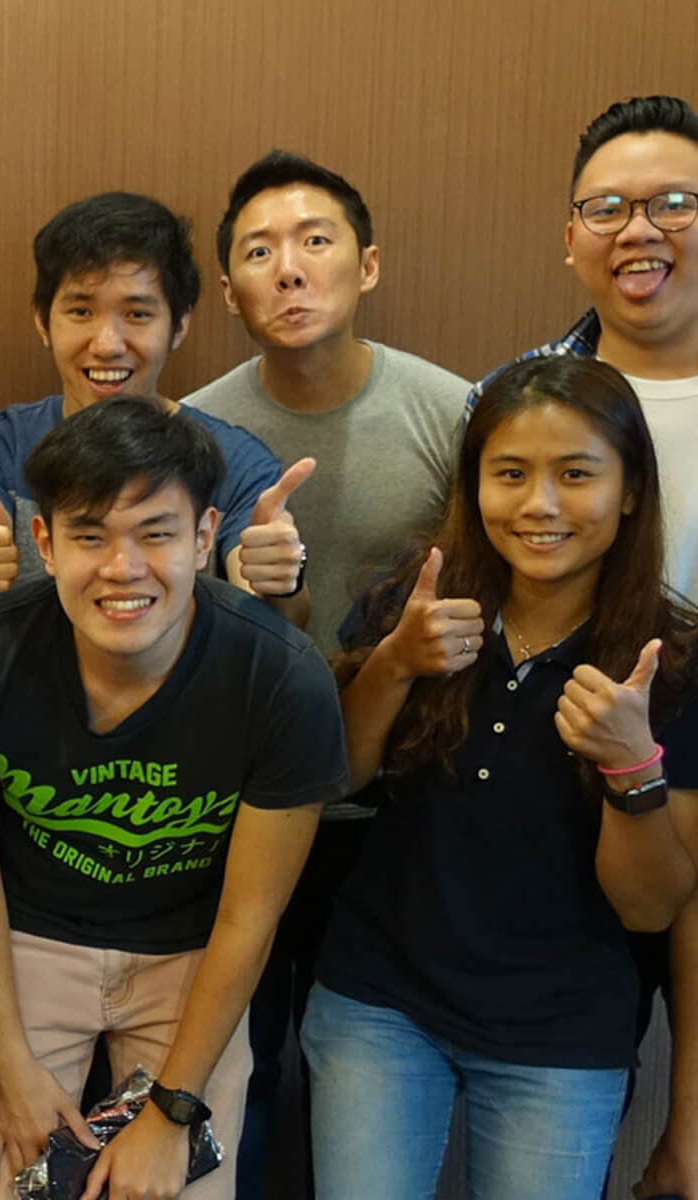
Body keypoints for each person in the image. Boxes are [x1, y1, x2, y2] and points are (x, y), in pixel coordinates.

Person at [303, 356, 698, 1199]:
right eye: (510, 474)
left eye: (577, 475)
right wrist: (394, 665)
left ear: (630, 490)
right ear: (473, 486)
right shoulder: (417, 602)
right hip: (379, 1001)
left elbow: (652, 906)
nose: (540, 505)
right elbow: (339, 776)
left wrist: (631, 765)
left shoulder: (673, 664)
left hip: (560, 1032)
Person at [0, 395, 348, 1200]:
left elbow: (250, 916)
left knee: (175, 1185)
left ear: (205, 538)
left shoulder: (281, 676)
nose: (122, 569)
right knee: (3, 1180)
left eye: (156, 534)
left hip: (192, 952)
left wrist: (172, 1111)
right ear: (45, 543)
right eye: (90, 535)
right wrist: (10, 1063)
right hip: (28, 939)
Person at [183, 149, 468, 1196]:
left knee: (369, 1084)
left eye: (315, 242)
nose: (289, 269)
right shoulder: (195, 429)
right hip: (239, 802)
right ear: (226, 293)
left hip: (407, 808)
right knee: (239, 1075)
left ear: (369, 265)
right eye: (259, 252)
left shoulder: (453, 414)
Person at [468, 95, 698, 1199]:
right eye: (605, 207)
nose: (636, 229)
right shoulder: (513, 396)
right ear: (568, 236)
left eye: (671, 203)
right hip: (574, 817)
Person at [0, 192, 309, 619]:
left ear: (179, 325)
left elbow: (270, 617)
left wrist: (280, 580)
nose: (107, 346)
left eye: (137, 315)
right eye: (81, 311)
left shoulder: (237, 461)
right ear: (43, 321)